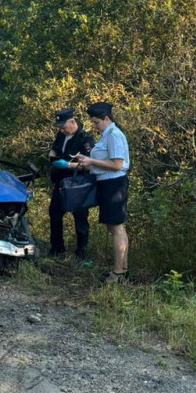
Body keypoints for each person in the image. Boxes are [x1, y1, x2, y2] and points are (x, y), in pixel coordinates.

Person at [73, 101, 131, 284]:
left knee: (116, 227)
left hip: (115, 185)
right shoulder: (107, 135)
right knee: (115, 227)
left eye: (97, 123)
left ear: (107, 118)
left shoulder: (114, 135)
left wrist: (91, 161)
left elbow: (117, 165)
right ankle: (122, 270)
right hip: (107, 184)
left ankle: (118, 272)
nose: (95, 127)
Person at [47, 108, 95, 259]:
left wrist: (68, 165)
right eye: (59, 127)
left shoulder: (85, 139)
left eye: (63, 126)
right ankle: (57, 248)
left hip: (77, 182)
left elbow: (89, 164)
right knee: (54, 213)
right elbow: (54, 150)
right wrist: (53, 157)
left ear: (73, 121)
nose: (61, 129)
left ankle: (81, 253)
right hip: (61, 182)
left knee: (80, 218)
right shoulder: (61, 135)